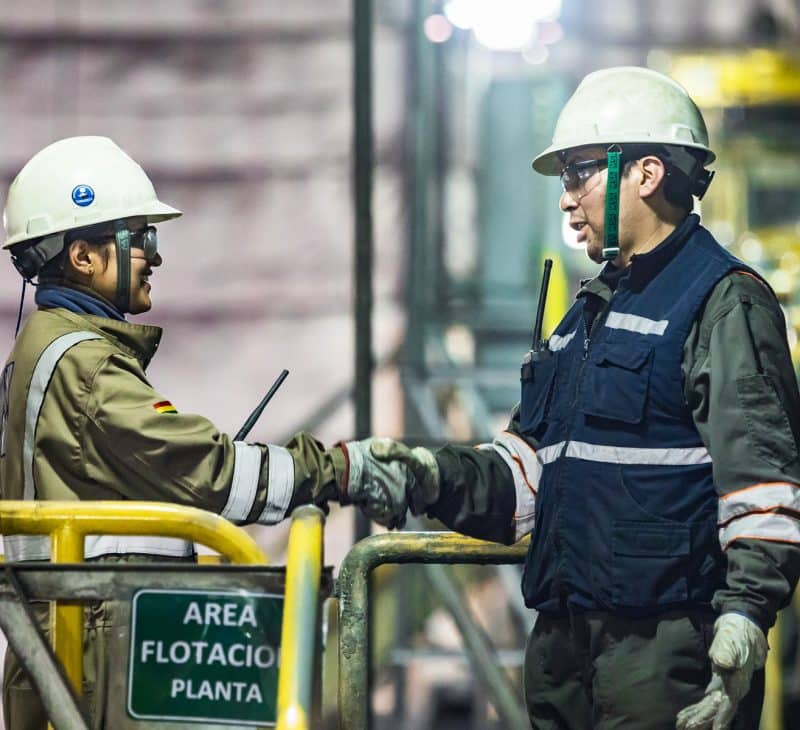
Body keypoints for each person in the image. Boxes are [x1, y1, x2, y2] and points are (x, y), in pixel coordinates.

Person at [332, 67, 800, 729]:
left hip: (662, 656)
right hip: (564, 648)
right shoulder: (590, 312)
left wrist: (747, 617)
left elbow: (764, 483)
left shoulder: (722, 302)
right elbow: (526, 483)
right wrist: (425, 475)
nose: (566, 199)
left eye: (579, 172)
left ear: (646, 173)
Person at [0, 135, 397, 729]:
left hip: (64, 642)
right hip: (89, 657)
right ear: (82, 256)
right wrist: (340, 470)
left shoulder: (48, 349)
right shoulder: (86, 367)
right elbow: (211, 471)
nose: (154, 256)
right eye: (140, 237)